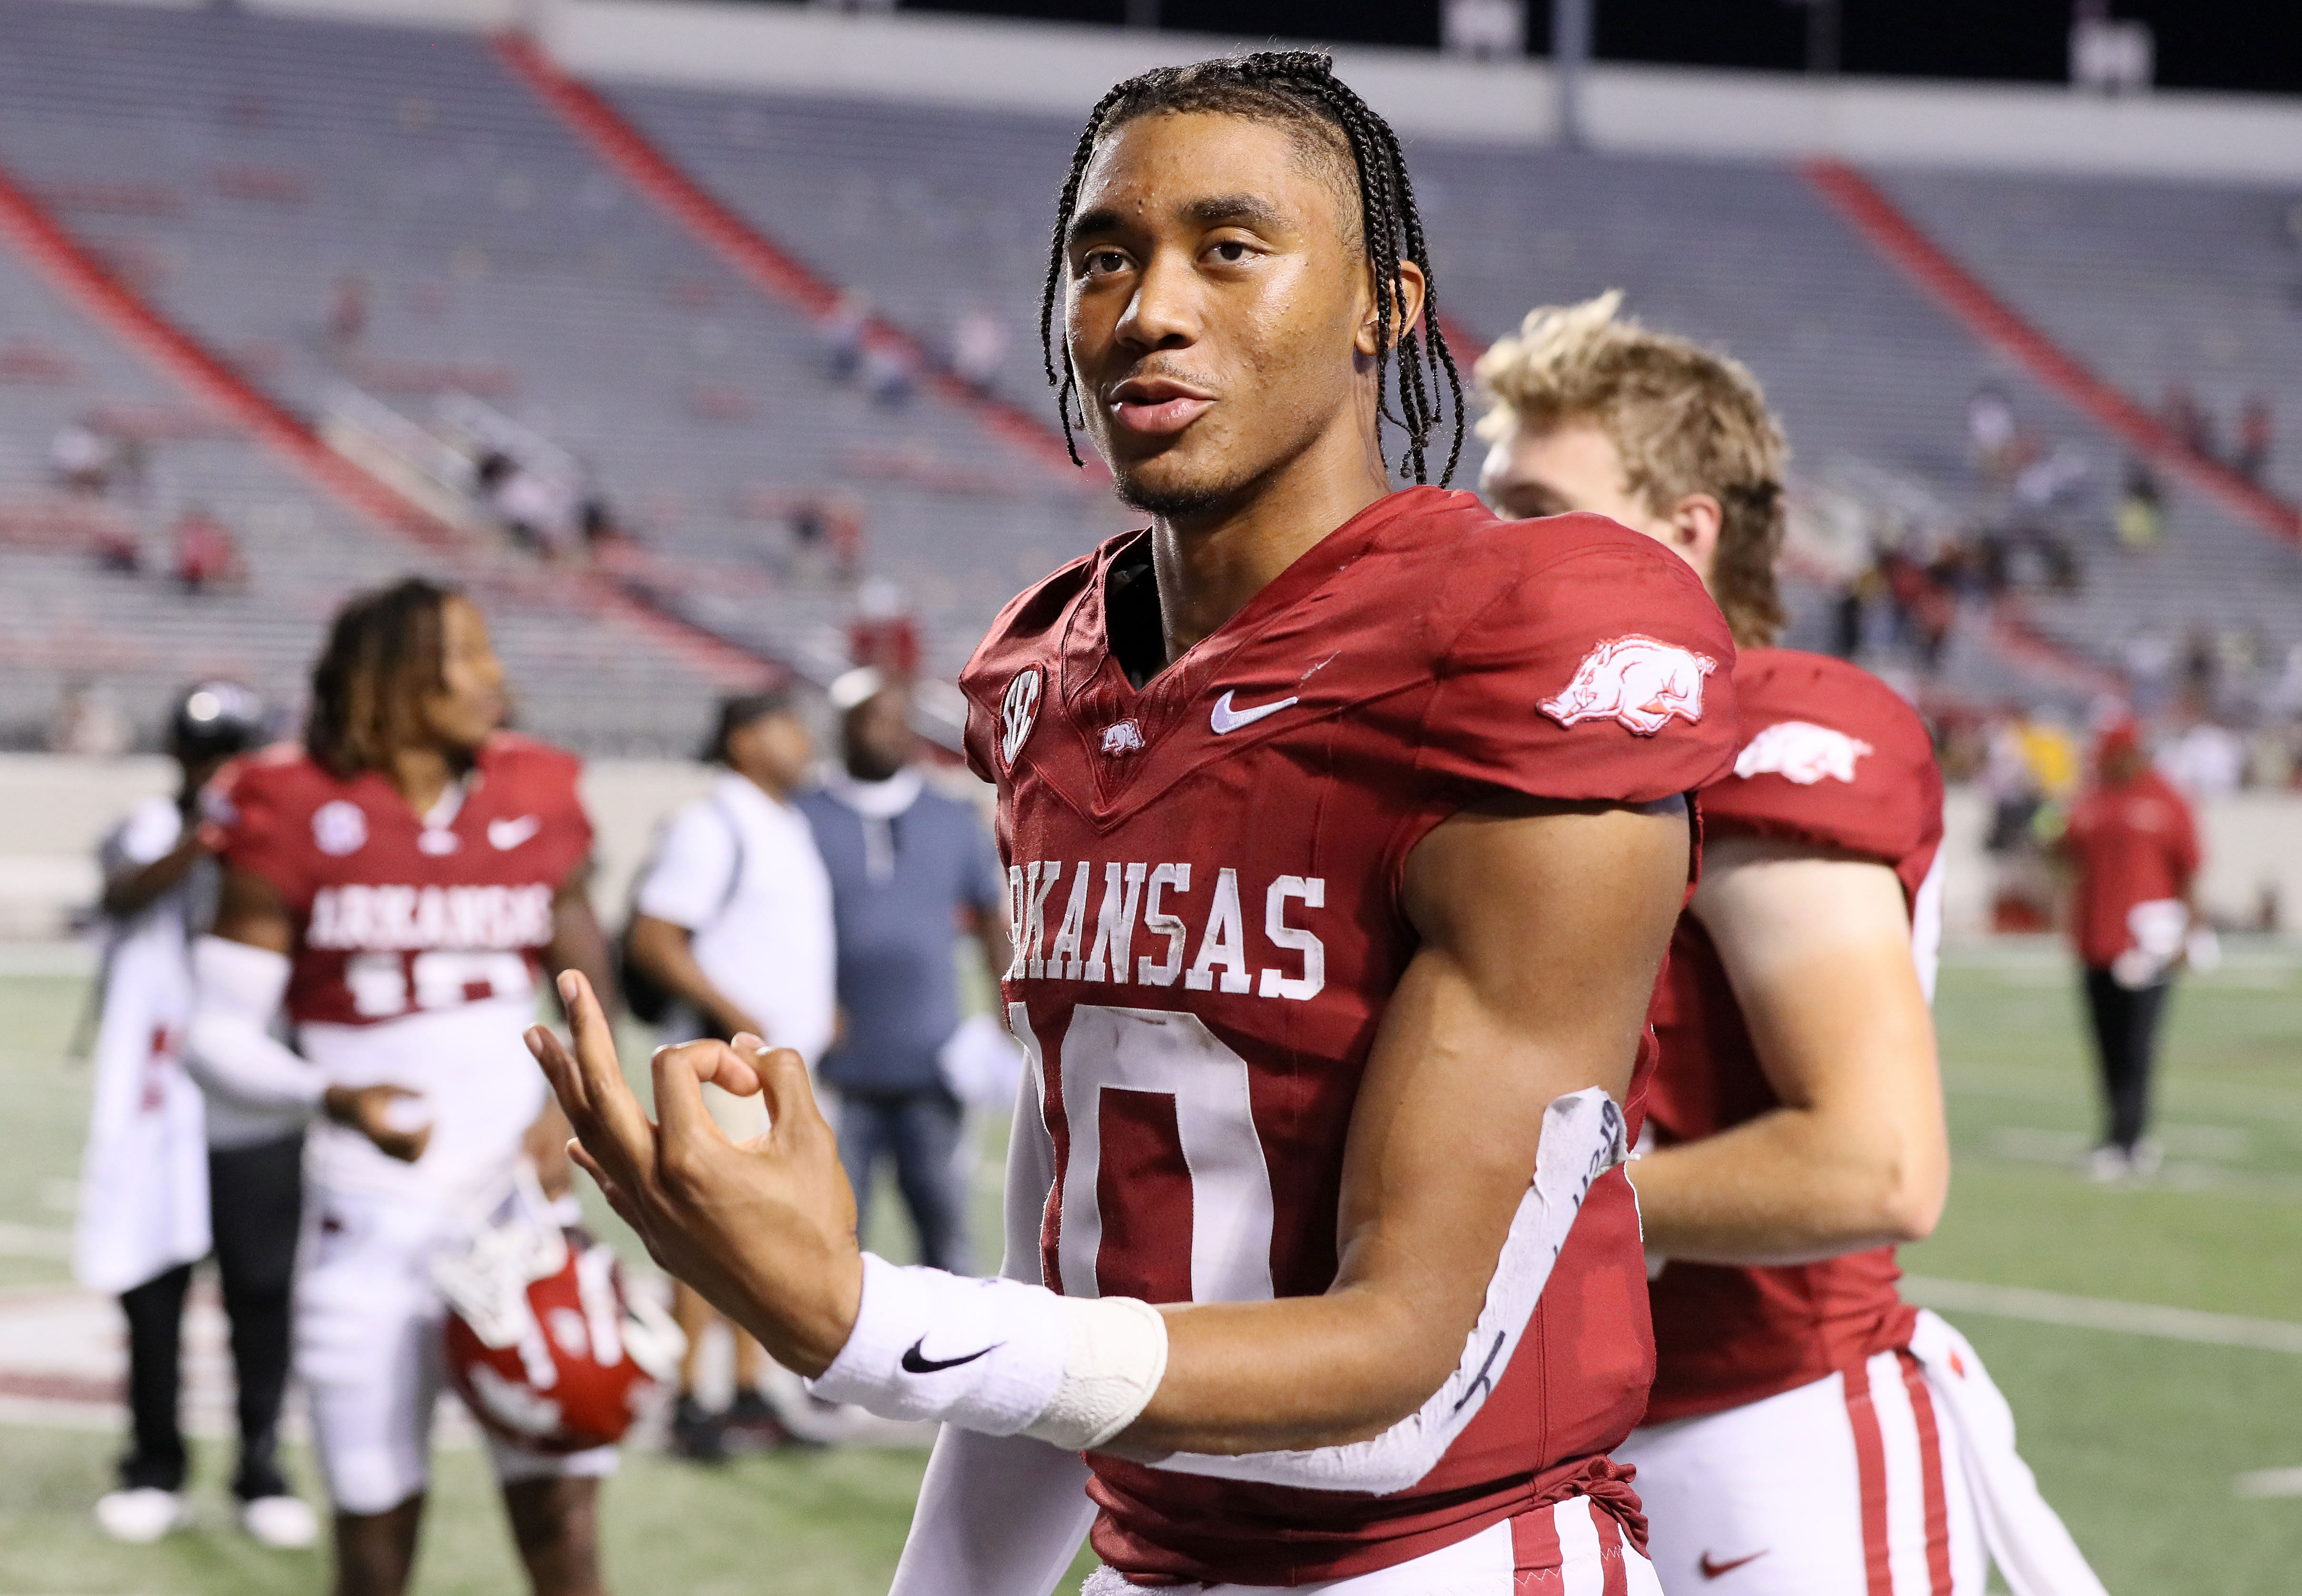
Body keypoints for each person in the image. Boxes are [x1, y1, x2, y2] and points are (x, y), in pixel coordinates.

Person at [529, 51, 1737, 1595]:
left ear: (1383, 306)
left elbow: (1404, 1385)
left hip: (1438, 1560)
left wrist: (856, 1324)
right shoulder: (1052, 681)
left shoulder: (1511, 644)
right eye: (1105, 257)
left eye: (1228, 249)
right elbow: (1075, 1282)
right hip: (1153, 1563)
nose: (1148, 309)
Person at [1477, 295, 2107, 1596]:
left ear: (1684, 531)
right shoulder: (1553, 751)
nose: (1496, 553)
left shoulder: (1759, 728)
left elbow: (1872, 1162)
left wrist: (1509, 1215)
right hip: (1561, 1445)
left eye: (1538, 508)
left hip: (1768, 1434)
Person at [186, 578, 620, 1596]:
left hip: (521, 1217)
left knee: (565, 1515)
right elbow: (213, 1035)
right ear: (394, 676)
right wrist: (332, 1097)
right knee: (374, 1532)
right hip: (371, 1218)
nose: (492, 676)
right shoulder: (284, 802)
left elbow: (586, 984)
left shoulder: (537, 788)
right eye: (464, 655)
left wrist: (571, 1104)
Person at [81, 682, 318, 1550]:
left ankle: (262, 1466)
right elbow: (116, 897)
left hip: (251, 1098)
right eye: (205, 751)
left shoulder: (286, 833)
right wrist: (203, 840)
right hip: (157, 1104)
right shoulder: (147, 829)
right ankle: (153, 1464)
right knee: (152, 1289)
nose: (220, 769)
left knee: (261, 1289)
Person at [624, 690, 837, 1460]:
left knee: (766, 1235)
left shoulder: (781, 821)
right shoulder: (713, 822)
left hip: (779, 1067)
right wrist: (734, 1009)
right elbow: (656, 937)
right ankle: (689, 1396)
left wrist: (819, 1012)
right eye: (786, 725)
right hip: (727, 1066)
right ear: (744, 740)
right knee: (714, 1234)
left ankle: (749, 1390)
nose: (804, 740)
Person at [794, 669, 1007, 1282]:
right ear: (843, 728)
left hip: (933, 1064)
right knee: (834, 1234)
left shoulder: (950, 817)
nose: (886, 732)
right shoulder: (802, 815)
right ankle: (834, 1376)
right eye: (871, 719)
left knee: (945, 1231)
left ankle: (951, 1371)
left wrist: (1001, 1009)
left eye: (895, 719)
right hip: (836, 1067)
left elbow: (992, 916)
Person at [2059, 721, 2201, 1181]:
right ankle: (2115, 1133)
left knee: (2139, 1043)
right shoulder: (2090, 799)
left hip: (2149, 943)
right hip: (2095, 941)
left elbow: (2189, 869)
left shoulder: (2167, 799)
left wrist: (2190, 933)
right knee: (2106, 1043)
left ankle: (2129, 1138)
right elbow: (2063, 852)